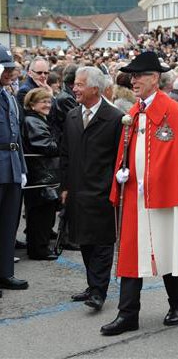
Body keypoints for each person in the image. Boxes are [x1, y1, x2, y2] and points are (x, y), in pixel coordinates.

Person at [101, 52, 178, 336]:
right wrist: (122, 172)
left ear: (154, 78)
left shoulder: (173, 111)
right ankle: (128, 313)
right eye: (131, 76)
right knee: (130, 253)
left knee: (167, 248)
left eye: (138, 76)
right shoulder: (133, 113)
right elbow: (127, 151)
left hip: (164, 195)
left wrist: (170, 185)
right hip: (135, 195)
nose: (133, 80)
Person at [60, 66, 123, 311]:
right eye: (75, 84)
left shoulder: (115, 118)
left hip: (102, 191)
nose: (74, 88)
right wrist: (65, 186)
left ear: (94, 89)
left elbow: (120, 158)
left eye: (79, 84)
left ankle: (99, 291)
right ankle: (91, 285)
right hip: (77, 191)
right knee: (84, 241)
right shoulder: (72, 116)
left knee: (102, 243)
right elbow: (65, 153)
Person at [0, 45, 28, 295]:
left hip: (11, 164)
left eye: (11, 68)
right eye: (5, 68)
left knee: (10, 223)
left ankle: (5, 273)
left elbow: (16, 135)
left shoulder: (8, 95)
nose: (9, 73)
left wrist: (22, 167)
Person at [22, 88, 60, 261]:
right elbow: (45, 145)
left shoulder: (37, 119)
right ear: (32, 104)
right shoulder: (32, 121)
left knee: (42, 212)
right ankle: (39, 250)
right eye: (43, 101)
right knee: (41, 213)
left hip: (41, 173)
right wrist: (62, 146)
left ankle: (39, 247)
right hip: (40, 174)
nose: (47, 105)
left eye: (49, 101)